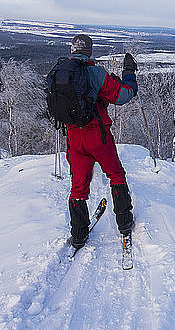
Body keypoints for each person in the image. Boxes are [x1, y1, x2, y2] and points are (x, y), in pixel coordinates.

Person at [65, 34, 138, 248]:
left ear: (72, 50)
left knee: (78, 186)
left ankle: (78, 234)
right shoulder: (95, 73)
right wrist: (128, 74)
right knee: (116, 175)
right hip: (98, 136)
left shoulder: (61, 74)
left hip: (74, 138)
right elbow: (124, 96)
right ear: (89, 51)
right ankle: (124, 223)